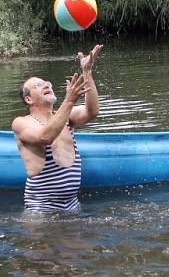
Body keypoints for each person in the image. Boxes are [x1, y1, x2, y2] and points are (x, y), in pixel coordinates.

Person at [12, 44, 103, 211]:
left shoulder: (65, 117)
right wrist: (69, 101)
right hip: (41, 211)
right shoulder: (21, 123)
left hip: (72, 207)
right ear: (29, 100)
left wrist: (87, 72)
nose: (46, 85)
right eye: (37, 86)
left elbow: (92, 111)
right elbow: (45, 137)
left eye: (46, 82)